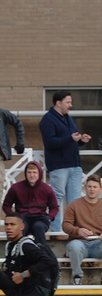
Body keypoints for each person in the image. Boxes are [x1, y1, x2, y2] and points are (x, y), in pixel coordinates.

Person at [40, 90, 88, 233]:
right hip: (59, 165)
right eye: (68, 102)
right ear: (58, 103)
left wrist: (81, 140)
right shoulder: (48, 120)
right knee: (57, 198)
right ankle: (56, 231)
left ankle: (73, 231)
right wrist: (70, 139)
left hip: (74, 165)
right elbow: (50, 142)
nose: (70, 105)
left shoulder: (68, 118)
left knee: (75, 200)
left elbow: (72, 140)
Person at [1, 161, 58, 246]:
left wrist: (49, 217)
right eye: (29, 172)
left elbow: (54, 207)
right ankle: (15, 252)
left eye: (34, 172)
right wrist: (13, 217)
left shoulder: (47, 189)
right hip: (22, 217)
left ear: (39, 173)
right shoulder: (16, 188)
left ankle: (41, 253)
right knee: (19, 229)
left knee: (38, 227)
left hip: (40, 218)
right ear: (25, 173)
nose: (32, 175)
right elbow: (6, 205)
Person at [62, 174, 102, 286]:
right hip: (79, 242)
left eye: (95, 187)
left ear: (100, 189)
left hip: (98, 243)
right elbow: (65, 225)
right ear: (85, 187)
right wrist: (78, 230)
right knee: (74, 247)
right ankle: (77, 277)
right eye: (89, 186)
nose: (92, 189)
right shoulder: (75, 205)